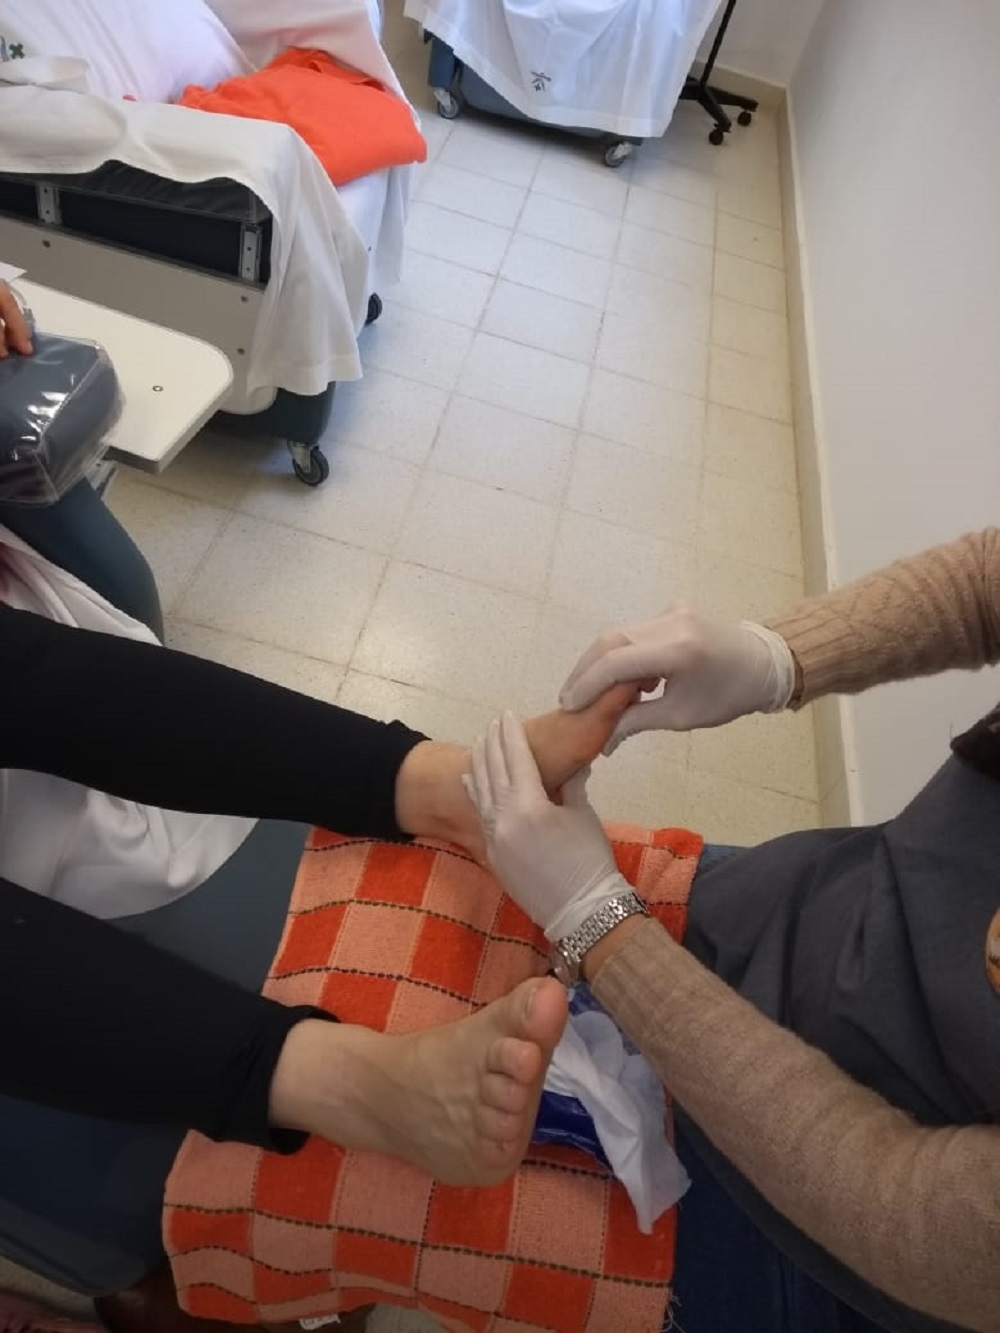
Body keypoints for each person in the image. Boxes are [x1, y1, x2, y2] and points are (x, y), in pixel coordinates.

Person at [468, 528, 1000, 1333]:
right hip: (804, 910)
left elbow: (909, 1212)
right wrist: (776, 656)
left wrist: (598, 921)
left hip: (820, 1231)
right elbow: (986, 581)